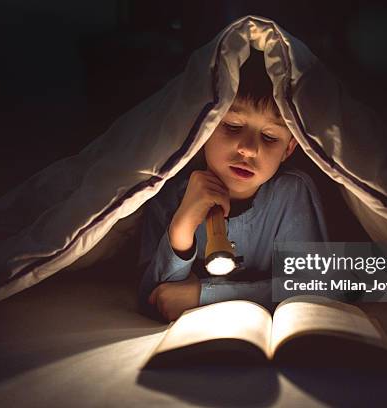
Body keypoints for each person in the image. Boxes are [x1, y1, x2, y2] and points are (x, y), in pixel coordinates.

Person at [138, 50, 328, 321]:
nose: (249, 149)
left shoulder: (291, 193)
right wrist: (181, 230)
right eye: (233, 127)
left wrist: (202, 296)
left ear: (288, 149)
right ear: (203, 128)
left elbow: (311, 285)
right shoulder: (166, 192)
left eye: (269, 136)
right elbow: (155, 299)